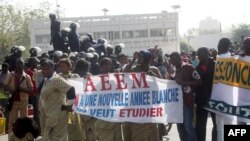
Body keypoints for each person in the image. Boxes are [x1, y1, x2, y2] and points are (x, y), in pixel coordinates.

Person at [123, 50, 162, 141]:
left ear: (147, 59)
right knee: (137, 133)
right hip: (136, 106)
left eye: (140, 56)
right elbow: (124, 74)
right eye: (138, 56)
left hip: (149, 106)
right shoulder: (134, 69)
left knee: (151, 133)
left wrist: (154, 77)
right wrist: (133, 60)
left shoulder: (153, 70)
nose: (138, 58)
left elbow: (162, 84)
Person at [39, 59, 76, 141]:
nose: (45, 71)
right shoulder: (47, 80)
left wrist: (70, 105)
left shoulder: (56, 79)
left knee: (58, 138)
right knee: (49, 137)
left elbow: (71, 89)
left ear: (53, 69)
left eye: (47, 69)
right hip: (50, 114)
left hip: (58, 115)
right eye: (43, 69)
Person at [169, 52, 201, 141]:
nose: (172, 63)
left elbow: (199, 81)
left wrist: (185, 83)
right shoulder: (174, 70)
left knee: (188, 126)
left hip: (187, 102)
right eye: (171, 61)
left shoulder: (189, 68)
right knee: (180, 127)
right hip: (177, 104)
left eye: (174, 60)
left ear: (179, 58)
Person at [95, 57, 122, 141]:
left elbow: (120, 94)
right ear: (101, 66)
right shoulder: (95, 79)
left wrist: (119, 80)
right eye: (106, 64)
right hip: (103, 115)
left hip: (114, 114)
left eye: (110, 64)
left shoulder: (113, 78)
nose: (108, 66)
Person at [4, 58, 33, 133]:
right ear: (16, 64)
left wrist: (22, 89)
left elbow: (31, 89)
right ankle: (11, 137)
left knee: (24, 121)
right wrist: (11, 89)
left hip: (24, 101)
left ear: (23, 65)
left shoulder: (27, 77)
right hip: (13, 101)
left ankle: (24, 137)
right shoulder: (11, 75)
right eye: (18, 63)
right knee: (12, 121)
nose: (19, 65)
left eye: (21, 63)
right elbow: (5, 85)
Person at [195, 47, 217, 141]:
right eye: (197, 53)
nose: (198, 56)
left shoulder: (217, 65)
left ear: (207, 53)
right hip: (201, 100)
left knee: (216, 124)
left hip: (214, 99)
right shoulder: (196, 68)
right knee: (200, 126)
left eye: (200, 53)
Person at [215, 37, 233, 141]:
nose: (219, 47)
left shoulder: (233, 60)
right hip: (218, 98)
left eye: (221, 45)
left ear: (227, 46)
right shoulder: (216, 59)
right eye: (219, 45)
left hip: (228, 98)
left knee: (227, 125)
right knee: (219, 126)